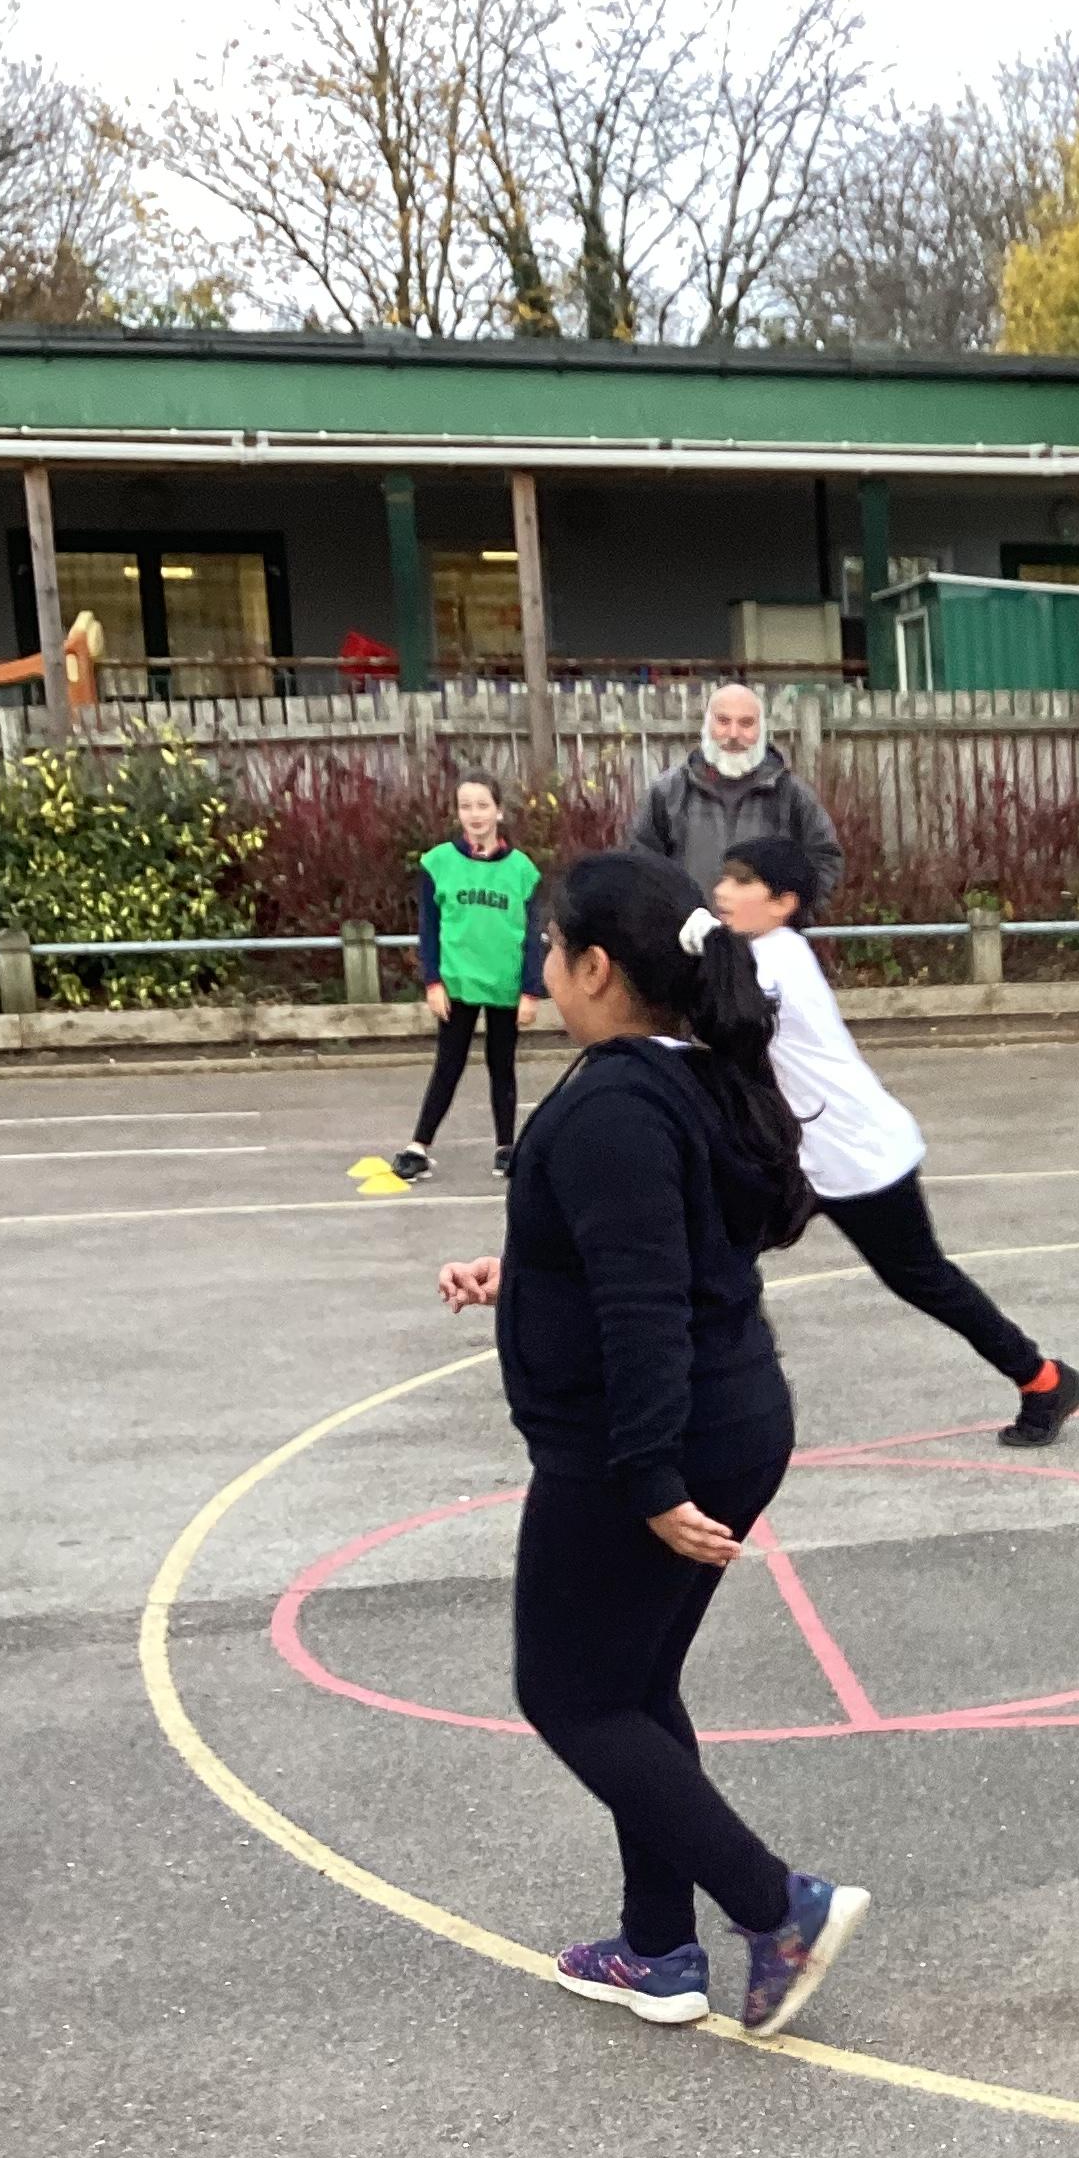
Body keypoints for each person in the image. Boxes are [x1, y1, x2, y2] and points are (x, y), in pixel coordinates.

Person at [435, 850, 870, 2037]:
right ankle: (659, 1949)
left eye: (550, 947)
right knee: (631, 1685)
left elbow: (643, 1308)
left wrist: (647, 1480)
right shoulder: (683, 1077)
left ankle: (777, 1908)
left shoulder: (615, 1106)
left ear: (596, 968)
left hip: (650, 1437)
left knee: (568, 1696)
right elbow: (646, 1247)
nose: (541, 966)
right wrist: (523, 1271)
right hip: (725, 1419)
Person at [712, 833, 1079, 1447]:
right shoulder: (753, 953)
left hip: (859, 1154)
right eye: (723, 878)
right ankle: (727, 1398)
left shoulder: (777, 958)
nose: (723, 891)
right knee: (717, 1257)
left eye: (741, 881)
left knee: (922, 1279)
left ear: (783, 903)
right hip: (793, 1156)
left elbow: (726, 1018)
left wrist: (689, 941)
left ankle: (1044, 1380)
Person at [389, 771, 544, 1183]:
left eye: (482, 805)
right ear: (457, 813)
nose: (475, 814)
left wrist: (531, 990)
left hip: (504, 984)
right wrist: (433, 981)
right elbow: (429, 929)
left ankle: (506, 1146)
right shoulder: (439, 863)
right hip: (457, 983)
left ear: (499, 811)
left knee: (502, 1065)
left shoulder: (522, 870)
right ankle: (419, 1146)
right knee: (448, 1064)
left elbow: (532, 936)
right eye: (466, 806)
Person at [629, 683, 846, 912]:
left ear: (761, 730)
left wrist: (793, 914)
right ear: (706, 725)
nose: (733, 734)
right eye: (723, 721)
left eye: (746, 723)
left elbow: (826, 859)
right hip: (687, 933)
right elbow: (641, 866)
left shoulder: (792, 794)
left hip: (765, 935)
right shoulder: (667, 792)